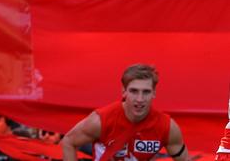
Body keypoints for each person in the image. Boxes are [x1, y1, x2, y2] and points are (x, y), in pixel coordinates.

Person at [60, 64, 189, 161]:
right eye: (134, 91)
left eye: (146, 92)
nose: (140, 99)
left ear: (154, 93)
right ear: (124, 91)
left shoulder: (167, 127)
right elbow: (68, 142)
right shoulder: (101, 120)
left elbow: (184, 159)